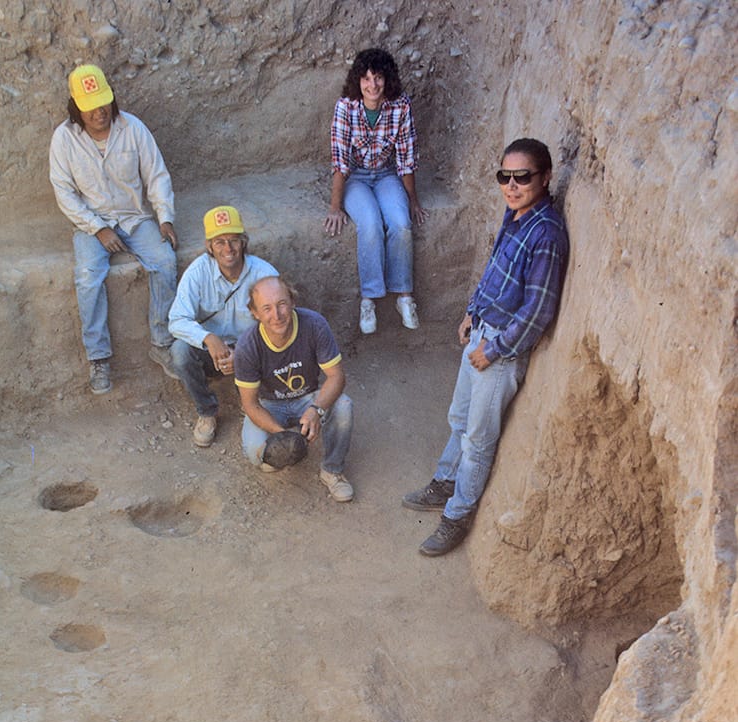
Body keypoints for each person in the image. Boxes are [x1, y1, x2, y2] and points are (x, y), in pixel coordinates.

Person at [404, 138, 569, 557]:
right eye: (504, 176)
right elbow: (494, 269)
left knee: (478, 438)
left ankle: (457, 516)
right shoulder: (515, 216)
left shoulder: (546, 234)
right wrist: (470, 313)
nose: (511, 185)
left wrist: (493, 350)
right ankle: (446, 482)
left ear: (545, 177)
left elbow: (538, 309)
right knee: (459, 418)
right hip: (481, 331)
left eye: (522, 177)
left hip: (500, 351)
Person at [49, 64, 179, 394]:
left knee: (164, 261)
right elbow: (64, 193)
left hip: (134, 218)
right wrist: (97, 229)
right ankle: (99, 358)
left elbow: (157, 175)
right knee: (88, 276)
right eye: (90, 106)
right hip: (91, 224)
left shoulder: (132, 128)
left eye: (103, 102)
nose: (99, 112)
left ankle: (161, 341)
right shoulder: (64, 139)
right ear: (76, 107)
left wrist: (165, 217)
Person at [324, 47, 425, 336]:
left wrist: (413, 201)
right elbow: (341, 160)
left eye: (378, 78)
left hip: (385, 173)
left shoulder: (400, 105)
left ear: (387, 79)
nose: (372, 85)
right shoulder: (346, 106)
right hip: (355, 177)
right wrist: (335, 206)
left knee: (401, 222)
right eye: (366, 78)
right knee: (369, 224)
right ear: (358, 81)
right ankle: (369, 299)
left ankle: (404, 296)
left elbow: (406, 158)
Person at [234, 276, 355, 502]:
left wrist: (316, 410)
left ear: (292, 301)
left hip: (308, 397)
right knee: (258, 455)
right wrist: (282, 437)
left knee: (344, 405)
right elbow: (249, 403)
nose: (277, 315)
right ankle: (282, 446)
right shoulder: (247, 345)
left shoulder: (314, 324)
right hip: (269, 404)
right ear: (255, 313)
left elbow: (336, 376)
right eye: (266, 308)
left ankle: (332, 470)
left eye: (281, 304)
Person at [166, 205, 278, 446]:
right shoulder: (198, 272)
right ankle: (207, 412)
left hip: (252, 350)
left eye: (234, 240)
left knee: (272, 349)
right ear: (209, 246)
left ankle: (253, 400)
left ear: (244, 242)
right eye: (220, 242)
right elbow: (176, 320)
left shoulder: (263, 273)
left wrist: (242, 353)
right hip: (213, 351)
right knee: (180, 352)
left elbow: (279, 324)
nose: (228, 249)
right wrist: (209, 339)